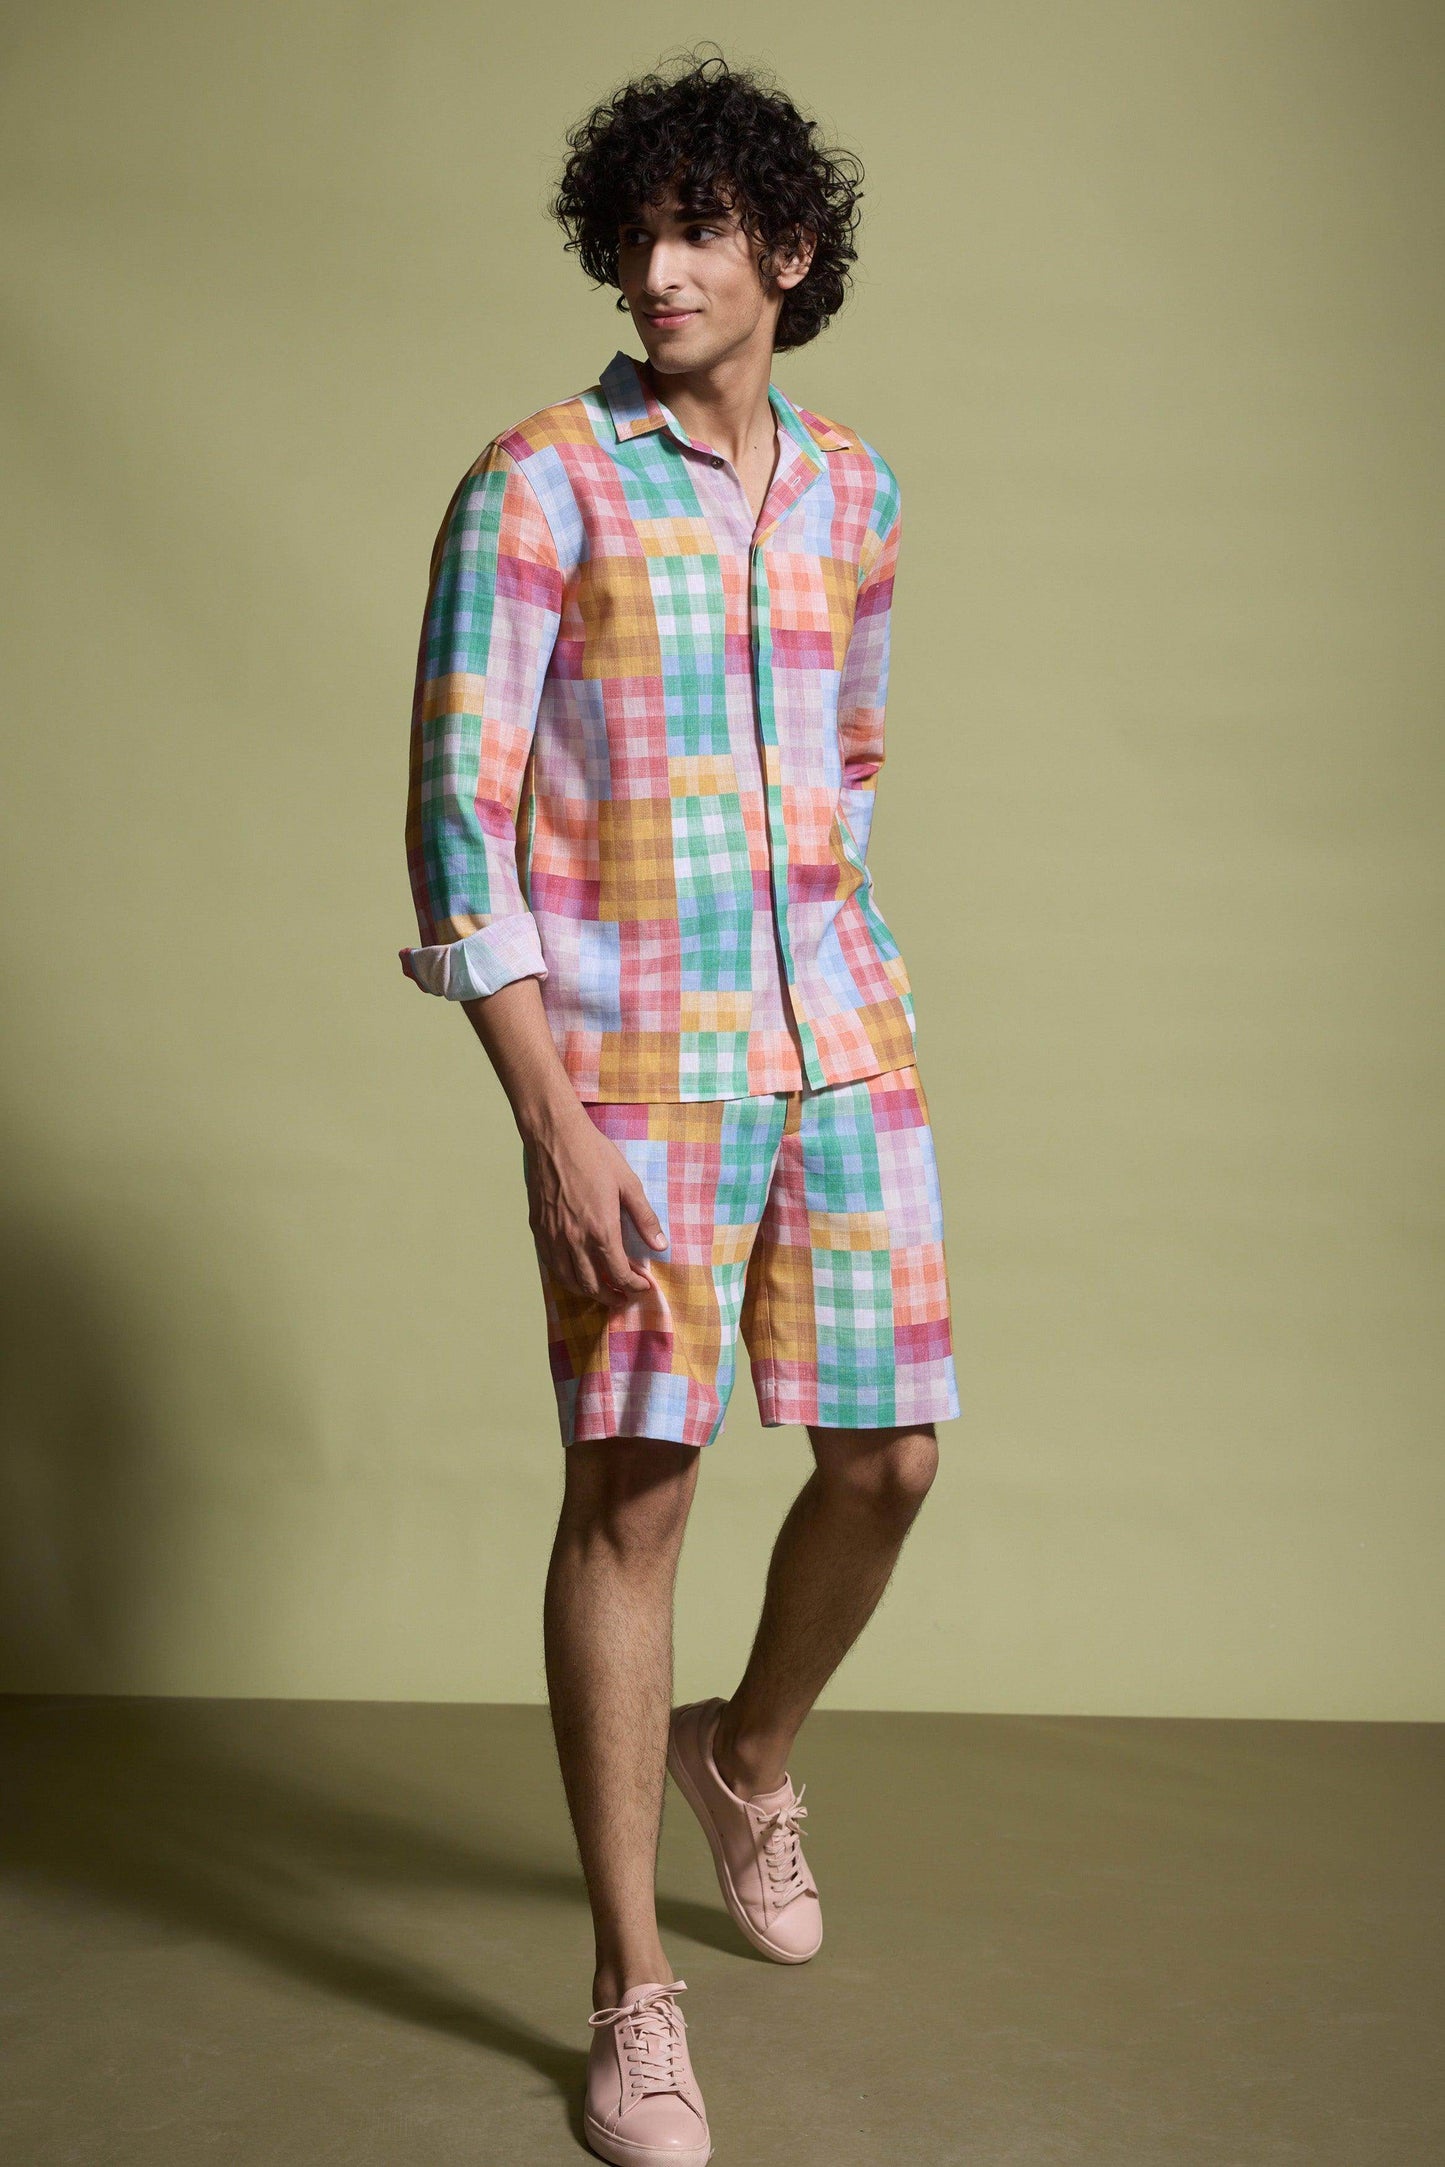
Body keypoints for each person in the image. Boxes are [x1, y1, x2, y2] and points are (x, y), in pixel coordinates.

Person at [398, 49, 960, 2167]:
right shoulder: (534, 484)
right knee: (636, 1496)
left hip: (841, 1038)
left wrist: (829, 955)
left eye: (700, 230)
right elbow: (455, 827)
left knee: (890, 1455)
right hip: (631, 1071)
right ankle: (632, 1989)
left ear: (787, 253)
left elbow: (851, 758)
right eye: (634, 234)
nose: (657, 269)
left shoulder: (856, 494)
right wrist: (552, 1116)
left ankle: (750, 1753)